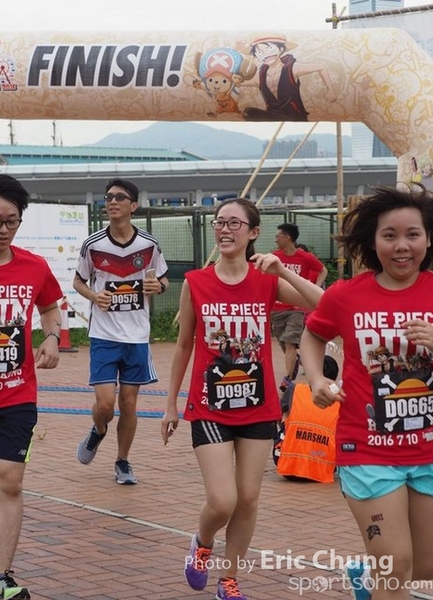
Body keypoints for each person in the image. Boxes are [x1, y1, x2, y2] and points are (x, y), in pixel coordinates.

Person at [160, 198, 323, 600]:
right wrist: (170, 404)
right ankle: (202, 543)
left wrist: (281, 270)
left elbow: (324, 305)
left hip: (258, 406)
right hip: (210, 406)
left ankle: (229, 580)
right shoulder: (196, 282)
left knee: (248, 499)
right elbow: (184, 345)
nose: (224, 229)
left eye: (235, 223)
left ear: (253, 233)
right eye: (219, 222)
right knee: (222, 500)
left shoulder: (266, 280)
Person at [300, 186, 433, 600]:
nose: (402, 246)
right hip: (366, 449)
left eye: (413, 234)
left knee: (425, 568)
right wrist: (317, 379)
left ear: (429, 239)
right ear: (372, 241)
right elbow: (313, 335)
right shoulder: (346, 295)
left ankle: (366, 578)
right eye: (390, 235)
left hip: (432, 447)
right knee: (396, 567)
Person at [74, 178, 169, 485]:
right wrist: (95, 296)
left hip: (137, 337)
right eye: (108, 197)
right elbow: (78, 282)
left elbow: (163, 281)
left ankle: (122, 461)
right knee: (105, 405)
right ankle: (98, 429)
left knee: (128, 404)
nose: (112, 201)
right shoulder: (93, 244)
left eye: (119, 197)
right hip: (104, 335)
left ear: (133, 205)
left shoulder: (149, 245)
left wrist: (158, 287)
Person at [0, 174, 63, 599]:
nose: (4, 229)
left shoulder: (34, 266)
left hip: (17, 393)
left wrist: (52, 336)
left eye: (12, 221)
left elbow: (50, 307)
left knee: (9, 480)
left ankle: (2, 576)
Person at [271, 222, 327, 391]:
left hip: (296, 308)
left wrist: (315, 287)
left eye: (278, 236)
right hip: (277, 309)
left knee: (289, 342)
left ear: (287, 237)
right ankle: (296, 361)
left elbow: (323, 270)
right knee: (284, 343)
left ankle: (287, 379)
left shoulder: (305, 257)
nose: (275, 239)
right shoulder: (274, 257)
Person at [273, 355, 340, 483]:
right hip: (323, 469)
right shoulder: (339, 399)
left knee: (286, 416)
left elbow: (278, 416)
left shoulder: (295, 389)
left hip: (289, 466)